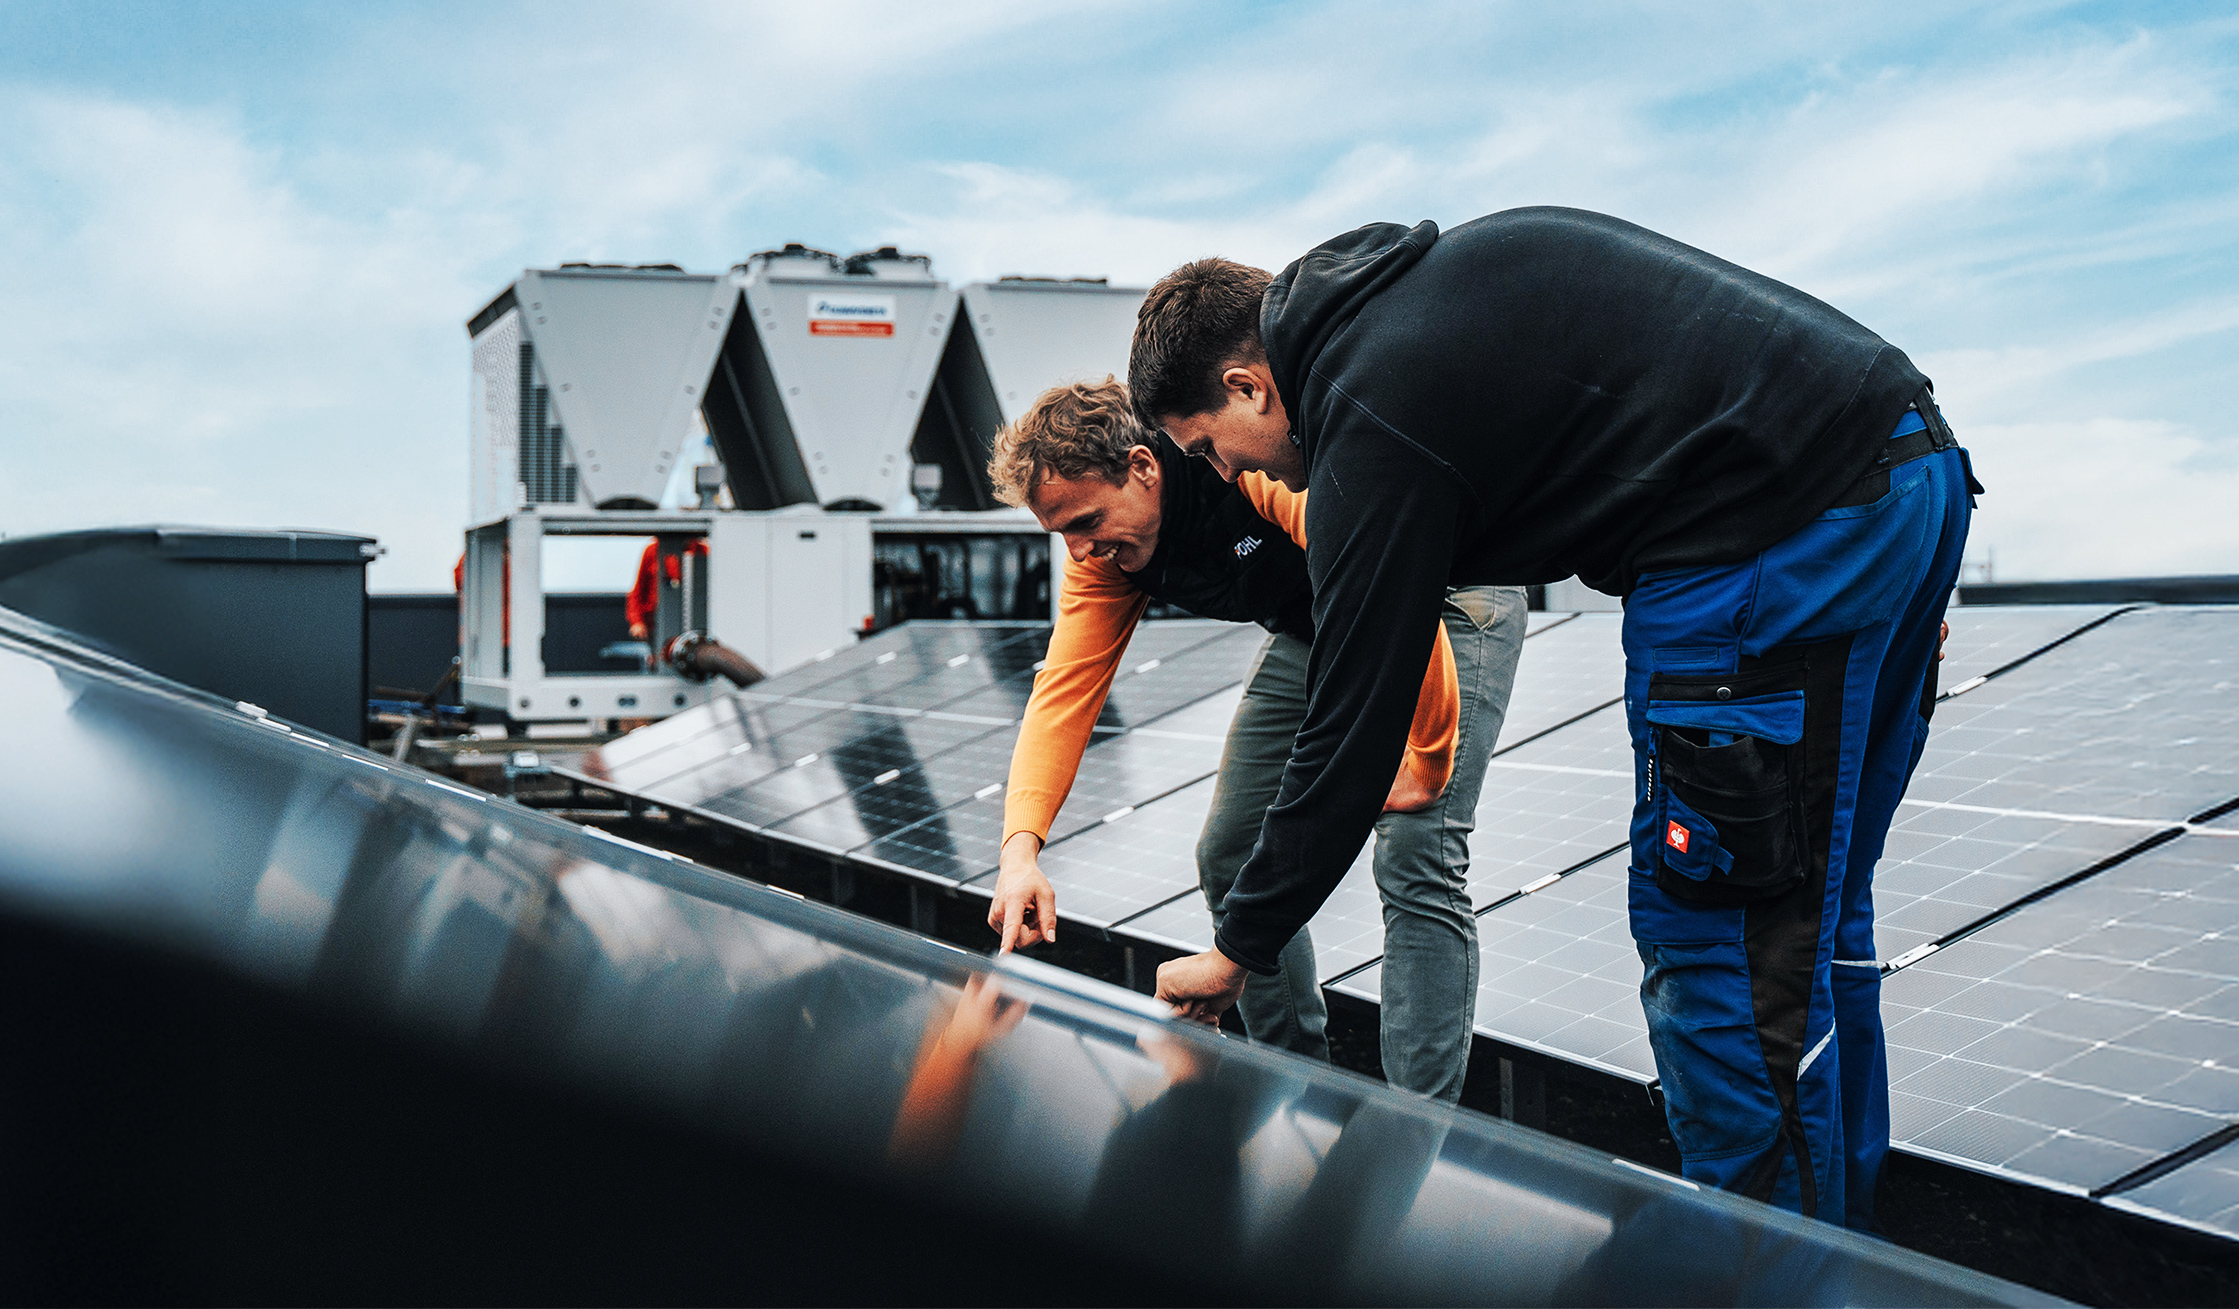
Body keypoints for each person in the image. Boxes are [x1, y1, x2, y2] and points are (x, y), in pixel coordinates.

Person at [1130, 207, 1978, 1230]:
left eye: (1214, 450)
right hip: (1906, 472)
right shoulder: (1406, 305)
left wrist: (1239, 945)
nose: (1233, 477)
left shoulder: (1366, 409)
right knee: (1818, 914)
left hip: (1767, 544)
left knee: (1722, 938)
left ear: (1244, 384)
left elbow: (1349, 710)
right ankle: (1843, 1256)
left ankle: (1759, 1276)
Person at [985, 378, 1524, 1101]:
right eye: (1063, 535)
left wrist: (1424, 757)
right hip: (1318, 622)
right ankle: (1292, 1087)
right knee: (1229, 850)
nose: (1079, 552)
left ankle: (1418, 1128)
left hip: (1445, 592)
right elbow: (1063, 693)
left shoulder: (1242, 461)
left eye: (1085, 520)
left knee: (1416, 848)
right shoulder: (1105, 563)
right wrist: (1019, 852)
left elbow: (1391, 579)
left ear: (1143, 467)